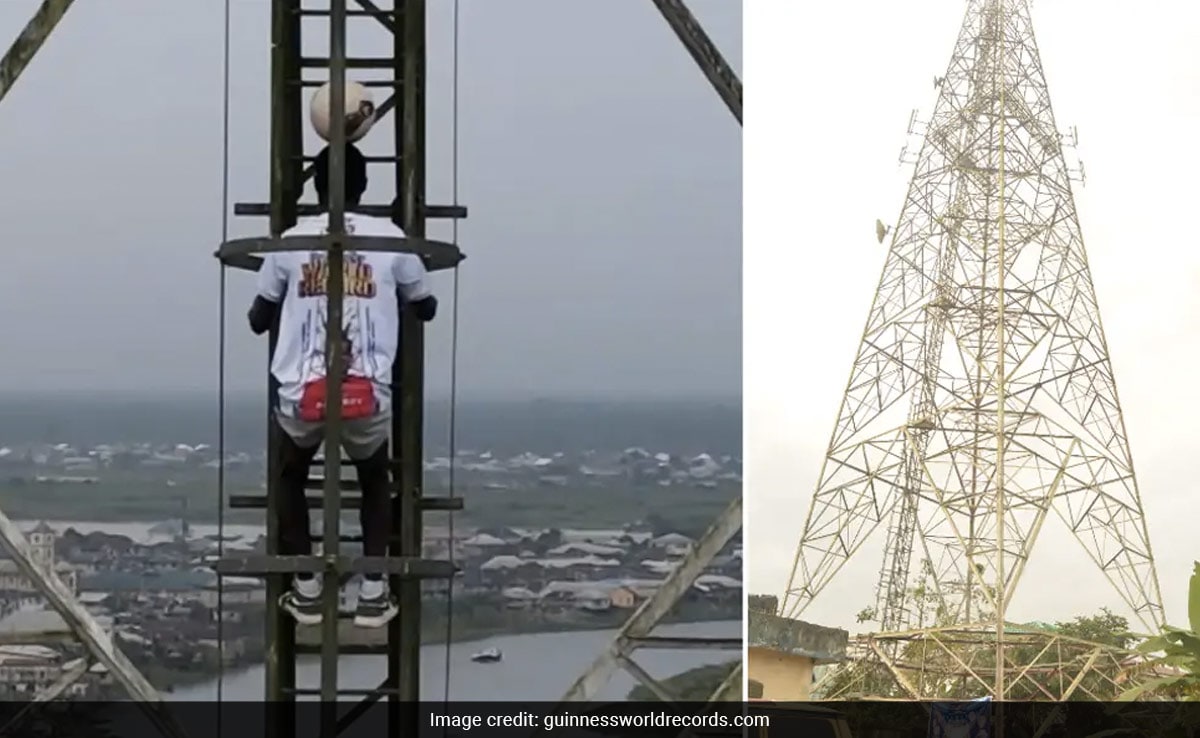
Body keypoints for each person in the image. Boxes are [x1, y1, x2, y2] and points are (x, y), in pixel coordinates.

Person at [247, 143, 438, 628]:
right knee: (375, 478)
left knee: (290, 476)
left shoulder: (290, 241)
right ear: (363, 186)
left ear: (313, 185)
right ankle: (374, 590)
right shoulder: (392, 239)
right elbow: (426, 306)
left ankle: (307, 588)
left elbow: (258, 318)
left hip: (301, 390)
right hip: (366, 388)